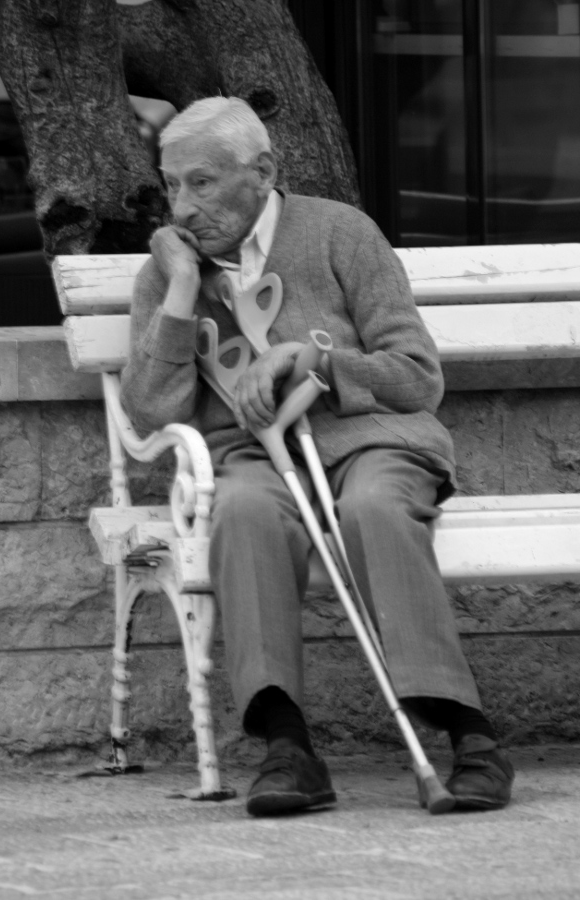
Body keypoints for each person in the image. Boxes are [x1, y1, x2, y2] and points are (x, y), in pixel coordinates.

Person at [120, 96, 514, 817]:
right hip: (254, 457)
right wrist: (180, 292)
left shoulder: (340, 233)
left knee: (373, 506)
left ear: (263, 171)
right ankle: (287, 746)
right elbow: (151, 412)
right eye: (171, 185)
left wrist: (318, 361)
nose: (183, 207)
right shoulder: (169, 271)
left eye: (201, 182)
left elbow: (418, 376)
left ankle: (469, 732)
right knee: (242, 511)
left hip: (372, 441)